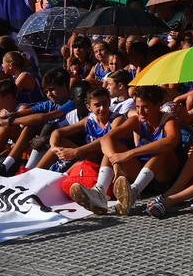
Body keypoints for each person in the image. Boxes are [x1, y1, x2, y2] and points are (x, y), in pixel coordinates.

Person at [71, 85, 180, 215]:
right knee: (114, 147)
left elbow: (171, 141)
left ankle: (132, 193)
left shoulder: (169, 121)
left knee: (162, 151)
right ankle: (99, 192)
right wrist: (116, 161)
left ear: (158, 106)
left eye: (145, 107)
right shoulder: (136, 120)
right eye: (138, 107)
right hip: (141, 175)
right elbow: (106, 139)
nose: (140, 112)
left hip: (164, 177)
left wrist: (130, 153)